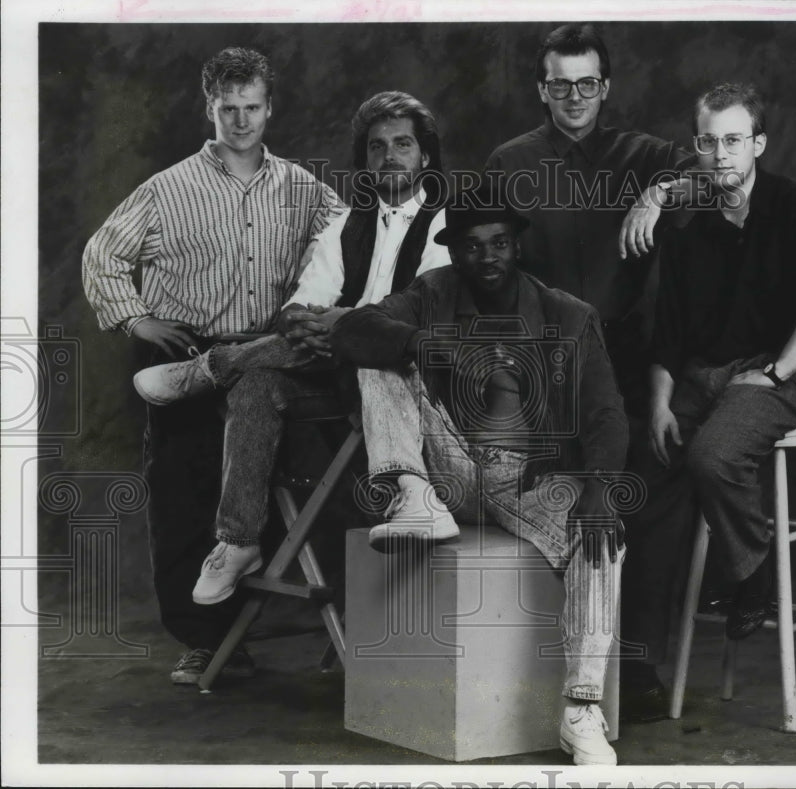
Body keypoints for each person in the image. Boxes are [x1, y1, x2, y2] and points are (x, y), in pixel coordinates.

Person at [326, 186, 628, 766]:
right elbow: (351, 331)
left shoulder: (567, 314)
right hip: (446, 468)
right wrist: (423, 341)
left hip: (528, 480)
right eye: (471, 246)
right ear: (454, 254)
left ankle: (580, 710)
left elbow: (606, 411)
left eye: (498, 243)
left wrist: (599, 487)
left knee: (602, 541)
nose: (486, 256)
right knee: (377, 356)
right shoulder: (433, 293)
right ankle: (411, 494)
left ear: (516, 246)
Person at [81, 47, 344, 685]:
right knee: (184, 498)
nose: (241, 120)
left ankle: (343, 636)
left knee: (317, 488)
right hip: (184, 350)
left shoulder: (305, 188)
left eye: (252, 106)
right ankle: (206, 643)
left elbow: (350, 239)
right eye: (228, 108)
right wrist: (135, 319)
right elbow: (101, 254)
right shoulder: (168, 188)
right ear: (210, 107)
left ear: (269, 106)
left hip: (272, 356)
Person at [129, 92, 451, 608]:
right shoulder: (347, 224)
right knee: (258, 384)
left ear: (425, 157)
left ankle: (207, 369)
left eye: (403, 145)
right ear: (365, 159)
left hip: (399, 377)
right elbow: (301, 304)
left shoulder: (446, 220)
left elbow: (418, 311)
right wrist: (313, 323)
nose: (389, 156)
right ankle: (238, 541)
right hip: (327, 369)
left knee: (365, 331)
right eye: (377, 147)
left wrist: (344, 323)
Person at [625, 82, 796, 718]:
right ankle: (639, 665)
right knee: (643, 478)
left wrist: (778, 373)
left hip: (780, 371)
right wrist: (660, 403)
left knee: (714, 454)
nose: (721, 154)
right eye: (708, 141)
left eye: (733, 140)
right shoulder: (687, 228)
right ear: (696, 146)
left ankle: (751, 575)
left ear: (757, 143)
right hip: (701, 377)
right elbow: (667, 336)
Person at [484, 22, 691, 420]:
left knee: (624, 476)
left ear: (605, 87)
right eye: (561, 85)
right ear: (543, 90)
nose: (575, 97)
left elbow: (721, 181)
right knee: (537, 477)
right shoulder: (507, 163)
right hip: (535, 356)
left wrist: (659, 192)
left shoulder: (645, 156)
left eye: (588, 84)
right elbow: (483, 263)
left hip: (624, 357)